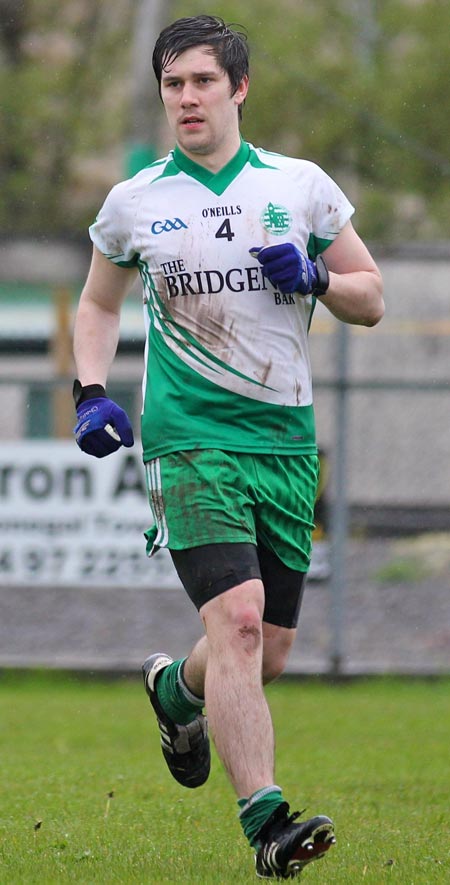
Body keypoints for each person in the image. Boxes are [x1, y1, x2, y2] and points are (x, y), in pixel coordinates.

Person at [72, 14, 384, 879]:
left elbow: (372, 296)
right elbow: (98, 304)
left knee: (265, 650)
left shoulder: (300, 185)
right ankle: (269, 824)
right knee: (239, 617)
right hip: (190, 440)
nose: (186, 99)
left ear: (239, 88)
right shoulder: (136, 200)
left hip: (284, 445)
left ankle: (177, 691)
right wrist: (90, 390)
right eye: (173, 84)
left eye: (203, 81)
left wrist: (318, 275)